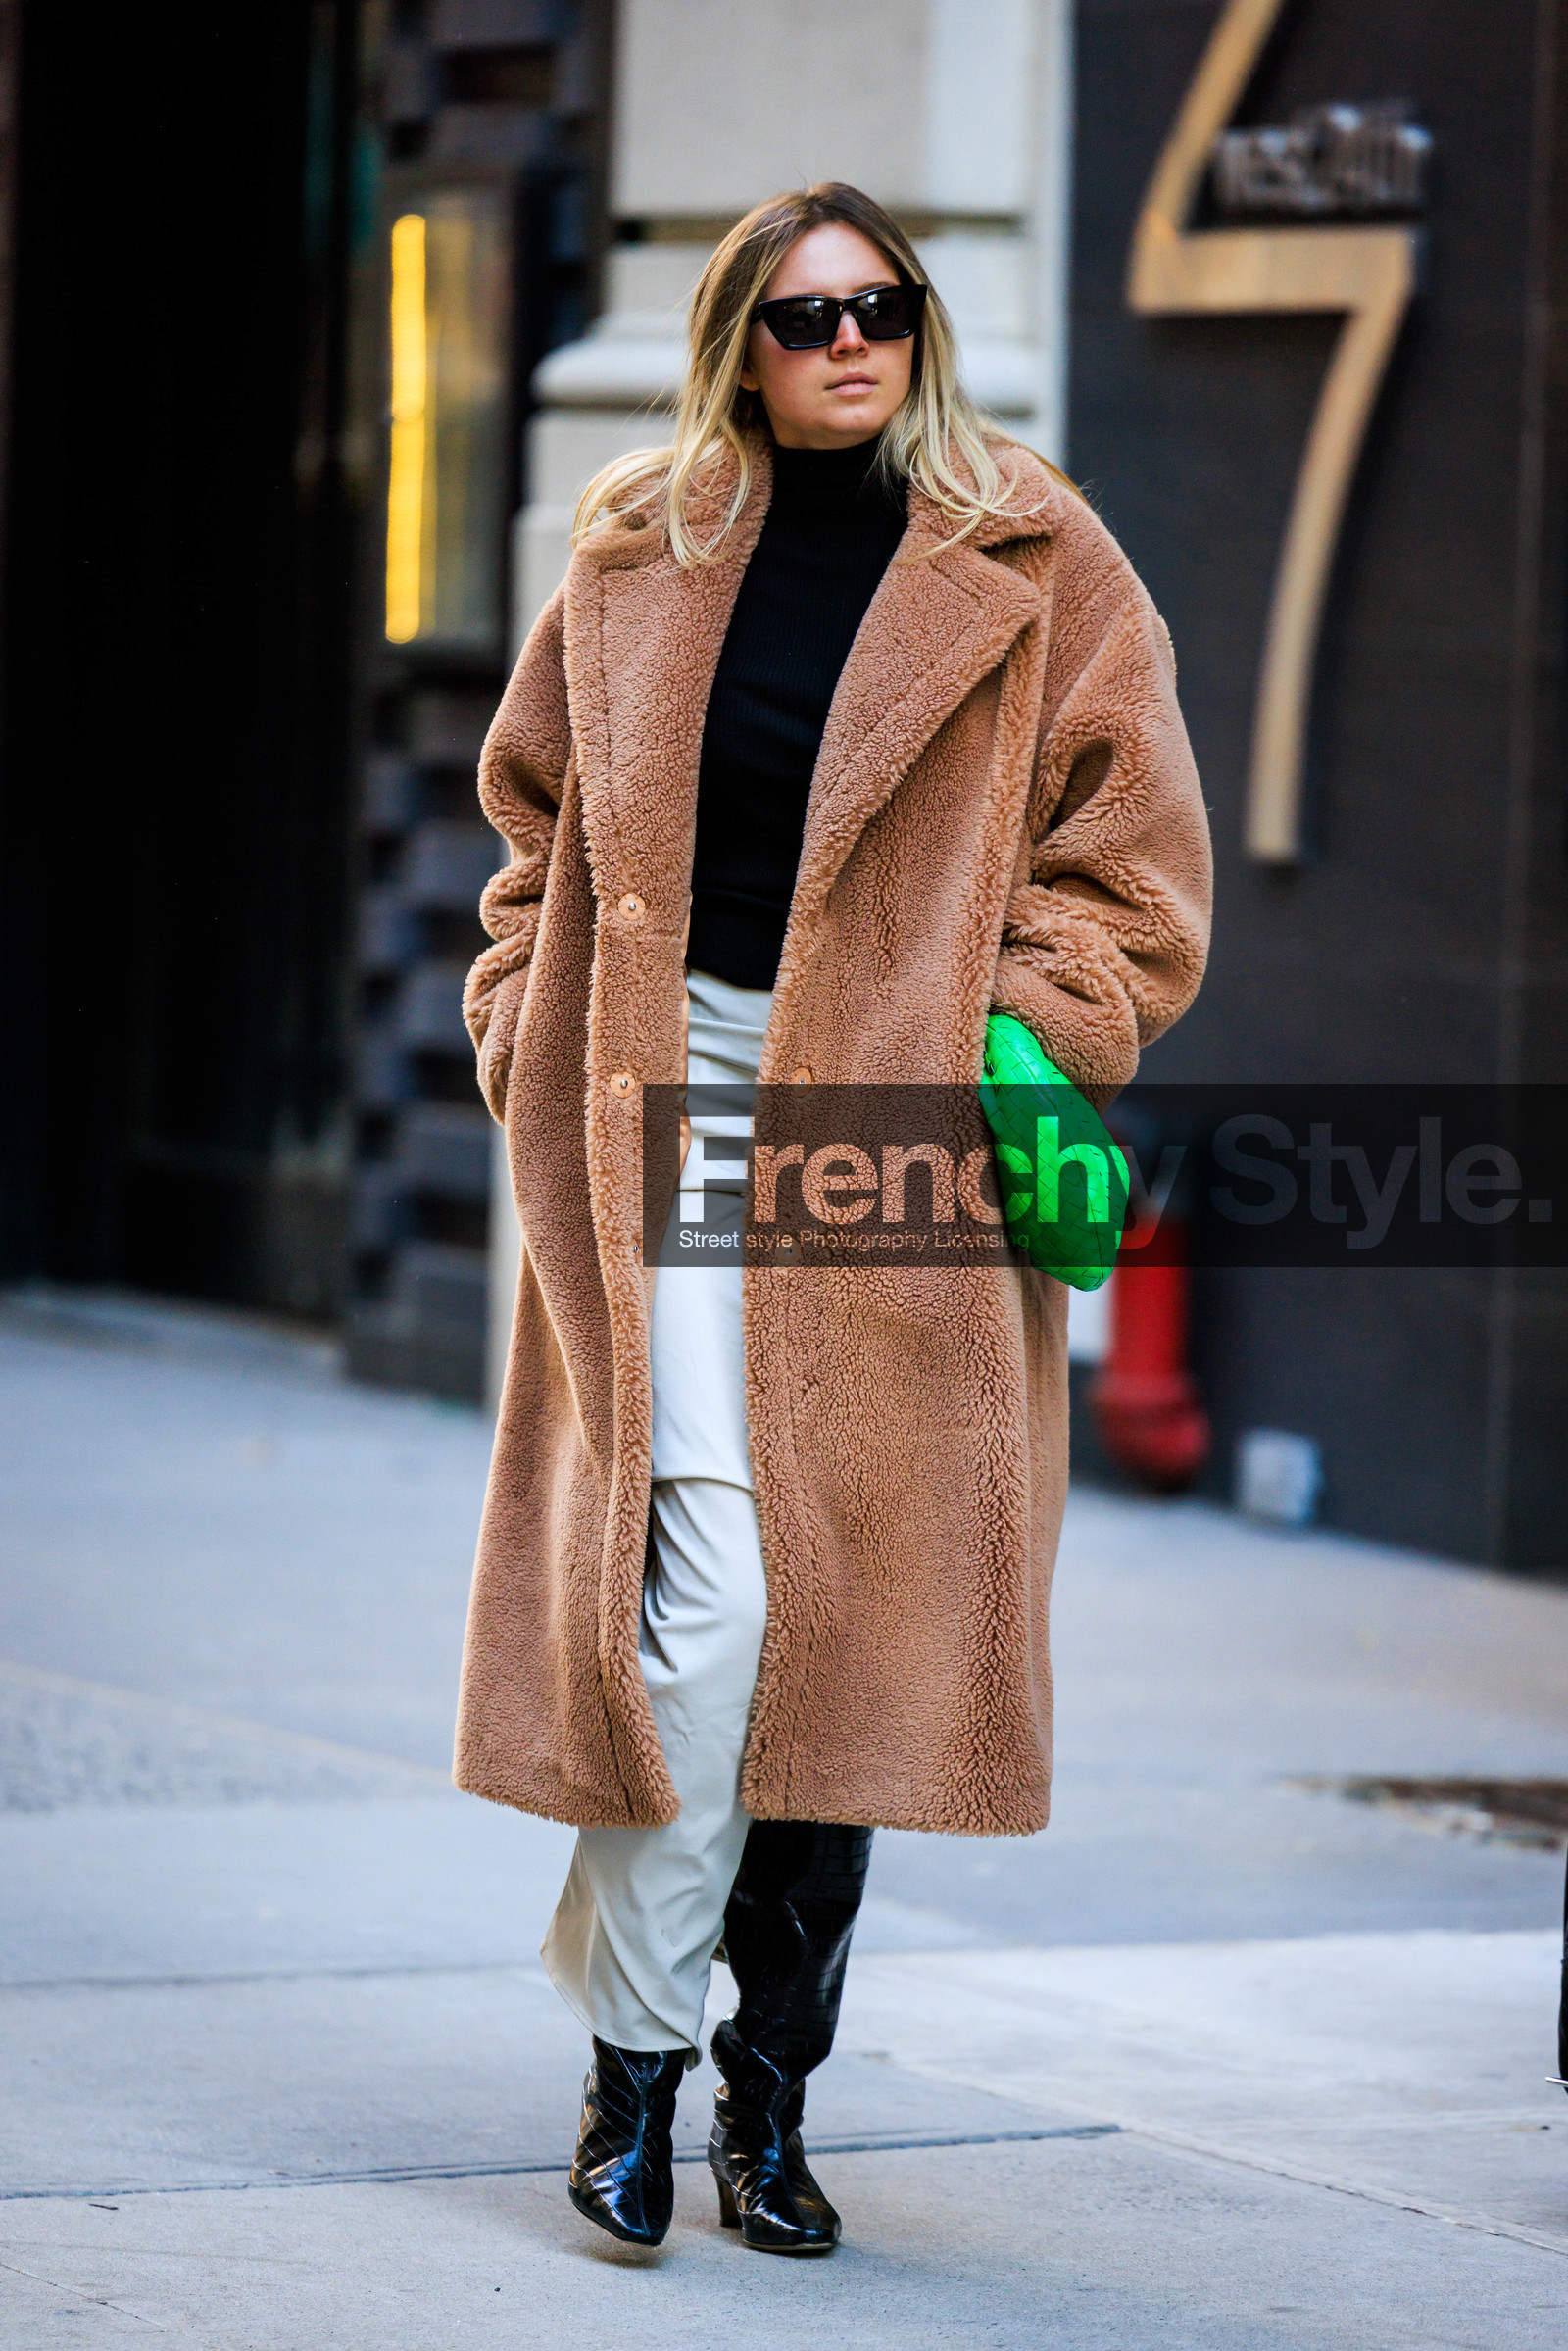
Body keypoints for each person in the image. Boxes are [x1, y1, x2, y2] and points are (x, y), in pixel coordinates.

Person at [458, 181, 1211, 2255]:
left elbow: (1130, 865)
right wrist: (521, 1012)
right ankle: (630, 2070)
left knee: (846, 1620)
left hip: (885, 1130)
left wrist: (1017, 1020)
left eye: (882, 307)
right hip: (664, 1102)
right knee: (693, 1603)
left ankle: (766, 2102)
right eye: (803, 318)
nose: (849, 343)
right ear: (739, 343)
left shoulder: (1033, 556)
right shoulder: (636, 549)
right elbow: (528, 823)